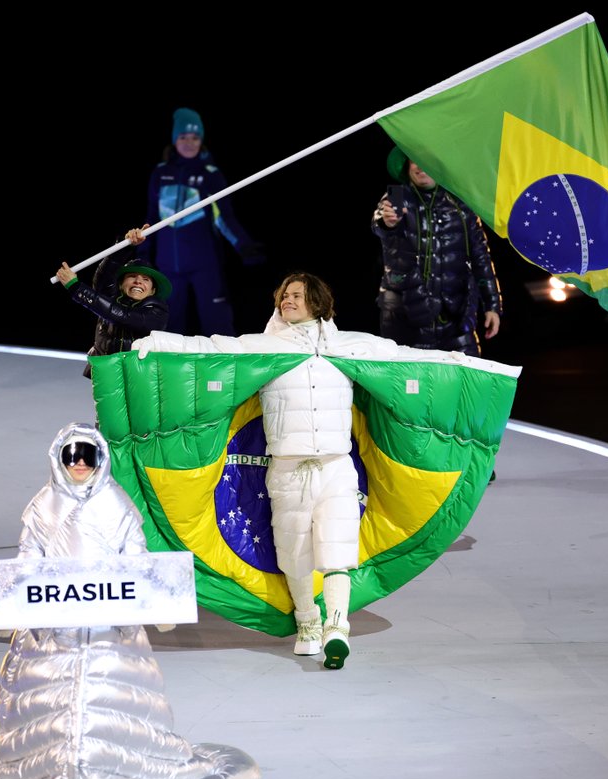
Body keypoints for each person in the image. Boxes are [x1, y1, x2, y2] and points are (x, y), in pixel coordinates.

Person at [133, 272, 492, 669]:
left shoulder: (348, 347)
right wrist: (154, 344)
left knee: (338, 553)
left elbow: (405, 357)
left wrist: (463, 364)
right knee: (296, 556)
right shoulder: (267, 348)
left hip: (336, 468)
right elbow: (208, 349)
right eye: (284, 295)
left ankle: (337, 626)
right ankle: (307, 623)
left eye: (296, 296)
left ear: (317, 302)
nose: (287, 301)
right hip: (287, 471)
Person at [0, 422, 261, 779]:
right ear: (58, 459)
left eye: (86, 456)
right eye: (70, 456)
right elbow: (28, 558)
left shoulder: (116, 503)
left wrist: (156, 596)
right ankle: (59, 778)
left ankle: (100, 772)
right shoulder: (44, 505)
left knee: (107, 701)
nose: (78, 464)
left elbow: (135, 555)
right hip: (53, 629)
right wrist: (11, 603)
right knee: (50, 707)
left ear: (99, 460)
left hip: (110, 627)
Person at [141, 107, 265, 336]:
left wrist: (243, 245)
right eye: (184, 137)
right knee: (166, 324)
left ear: (202, 140)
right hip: (168, 265)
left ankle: (224, 369)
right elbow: (151, 217)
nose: (190, 142)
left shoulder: (210, 174)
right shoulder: (160, 173)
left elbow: (223, 217)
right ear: (175, 139)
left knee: (217, 323)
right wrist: (142, 251)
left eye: (195, 137)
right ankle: (168, 370)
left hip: (204, 264)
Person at [371, 146, 503, 358]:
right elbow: (381, 223)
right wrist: (387, 222)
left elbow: (480, 255)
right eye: (415, 160)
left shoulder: (461, 202)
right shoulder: (396, 196)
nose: (421, 167)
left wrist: (492, 305)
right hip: (406, 317)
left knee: (465, 380)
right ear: (407, 166)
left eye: (427, 161)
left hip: (456, 317)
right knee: (409, 385)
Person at [56, 225, 171, 378]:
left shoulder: (158, 311)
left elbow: (122, 315)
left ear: (152, 291)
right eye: (132, 277)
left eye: (145, 279)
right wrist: (124, 246)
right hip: (106, 372)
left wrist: (77, 287)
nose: (138, 282)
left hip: (139, 376)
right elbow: (104, 278)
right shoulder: (111, 298)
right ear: (121, 285)